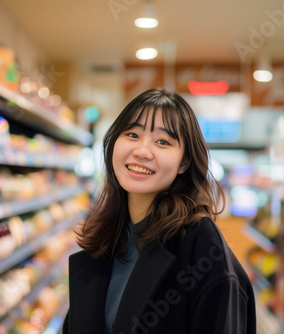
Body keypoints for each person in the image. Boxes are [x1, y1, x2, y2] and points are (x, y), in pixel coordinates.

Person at [63, 88, 256, 334]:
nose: (142, 151)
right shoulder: (108, 236)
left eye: (163, 141)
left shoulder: (202, 247)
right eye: (132, 134)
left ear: (184, 162)